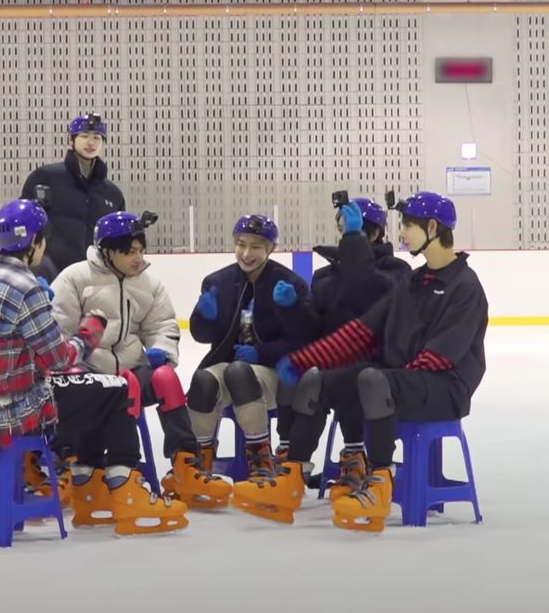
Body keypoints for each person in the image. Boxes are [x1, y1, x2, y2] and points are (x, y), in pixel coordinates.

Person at [233, 191, 488, 531]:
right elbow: (362, 331)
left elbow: (439, 357)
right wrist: (304, 360)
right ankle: (291, 478)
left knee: (372, 379)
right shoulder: (414, 282)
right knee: (317, 381)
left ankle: (379, 483)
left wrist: (382, 379)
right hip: (405, 379)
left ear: (432, 227)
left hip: (446, 386)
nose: (401, 234)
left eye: (408, 226)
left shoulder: (464, 286)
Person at [0, 199, 187, 536]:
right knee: (114, 389)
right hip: (13, 410)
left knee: (95, 389)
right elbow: (58, 360)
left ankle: (87, 482)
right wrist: (89, 334)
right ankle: (121, 486)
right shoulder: (26, 285)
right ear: (34, 243)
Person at [51, 211, 231, 525]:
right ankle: (78, 468)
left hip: (131, 370)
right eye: (129, 251)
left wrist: (162, 349)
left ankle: (185, 465)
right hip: (88, 372)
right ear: (107, 250)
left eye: (140, 250)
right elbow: (58, 333)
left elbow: (162, 325)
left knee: (164, 378)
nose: (137, 258)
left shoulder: (150, 284)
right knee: (105, 388)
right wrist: (79, 364)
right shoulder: (74, 278)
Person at [185, 214, 319, 519]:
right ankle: (200, 460)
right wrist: (203, 316)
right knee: (204, 379)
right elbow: (200, 335)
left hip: (270, 372)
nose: (247, 253)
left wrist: (266, 347)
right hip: (229, 366)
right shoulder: (218, 281)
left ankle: (260, 460)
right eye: (241, 245)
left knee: (238, 371)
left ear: (270, 248)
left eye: (256, 247)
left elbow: (306, 338)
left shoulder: (290, 284)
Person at [275, 197, 411, 490]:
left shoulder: (396, 272)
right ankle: (291, 460)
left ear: (374, 234)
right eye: (343, 230)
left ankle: (356, 455)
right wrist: (293, 308)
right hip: (333, 357)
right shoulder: (325, 277)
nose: (344, 236)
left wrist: (354, 243)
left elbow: (364, 289)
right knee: (299, 378)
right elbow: (314, 329)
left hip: (378, 361)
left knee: (341, 376)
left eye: (354, 231)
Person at [20, 112, 124, 283]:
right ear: (71, 140)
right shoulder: (45, 177)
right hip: (48, 272)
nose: (91, 142)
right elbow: (23, 223)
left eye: (97, 138)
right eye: (84, 136)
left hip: (93, 278)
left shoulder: (112, 193)